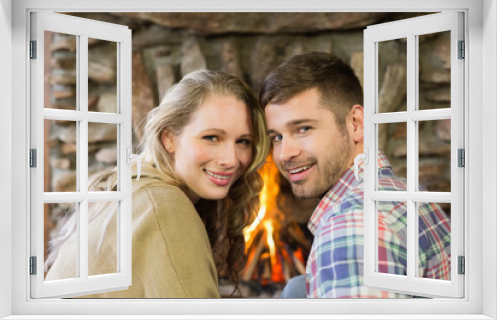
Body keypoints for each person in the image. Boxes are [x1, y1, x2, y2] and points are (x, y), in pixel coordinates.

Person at [45, 70, 270, 298]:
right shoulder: (164, 206)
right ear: (169, 139)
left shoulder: (139, 190)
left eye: (243, 141)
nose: (231, 159)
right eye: (211, 137)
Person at [259, 52, 451, 298]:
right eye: (277, 137)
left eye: (303, 128)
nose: (284, 154)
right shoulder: (403, 191)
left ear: (356, 123)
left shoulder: (351, 228)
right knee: (297, 288)